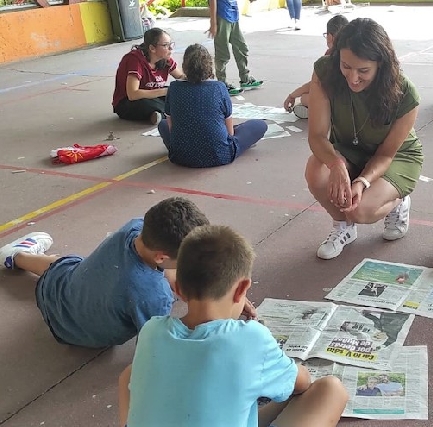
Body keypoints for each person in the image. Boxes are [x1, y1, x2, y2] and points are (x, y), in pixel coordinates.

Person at [118, 224, 349, 427]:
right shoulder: (251, 339)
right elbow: (302, 383)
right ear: (242, 289)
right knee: (330, 390)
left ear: (178, 290)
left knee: (130, 374)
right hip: (277, 369)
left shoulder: (151, 330)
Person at [0, 197, 210, 348]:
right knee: (66, 265)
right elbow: (153, 345)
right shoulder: (154, 296)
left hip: (55, 291)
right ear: (161, 257)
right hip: (77, 337)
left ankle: (16, 256)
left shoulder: (134, 227)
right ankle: (17, 255)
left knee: (63, 264)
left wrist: (170, 273)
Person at [305, 18, 423, 260]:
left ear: (381, 65)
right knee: (316, 169)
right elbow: (317, 136)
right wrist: (336, 163)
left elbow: (386, 154)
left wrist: (362, 182)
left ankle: (398, 200)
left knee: (360, 211)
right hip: (348, 149)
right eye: (346, 66)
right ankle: (343, 228)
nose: (353, 78)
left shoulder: (405, 92)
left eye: (363, 71)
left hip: (394, 157)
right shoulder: (325, 71)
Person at [158, 43, 267, 168]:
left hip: (180, 155)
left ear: (184, 66)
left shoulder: (174, 88)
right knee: (259, 125)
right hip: (220, 154)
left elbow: (171, 127)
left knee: (163, 124)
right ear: (209, 66)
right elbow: (229, 131)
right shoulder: (219, 87)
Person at [112, 28, 185, 124]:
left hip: (153, 95)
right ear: (152, 48)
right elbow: (132, 94)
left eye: (170, 44)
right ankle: (167, 113)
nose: (170, 48)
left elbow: (180, 77)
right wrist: (167, 91)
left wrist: (197, 79)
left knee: (180, 92)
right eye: (165, 45)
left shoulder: (165, 59)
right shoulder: (134, 60)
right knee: (147, 103)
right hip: (129, 102)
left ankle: (159, 114)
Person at [283, 14, 349, 119]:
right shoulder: (352, 51)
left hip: (339, 100)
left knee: (305, 98)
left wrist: (293, 95)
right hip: (353, 96)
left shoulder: (330, 55)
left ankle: (324, 113)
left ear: (330, 36)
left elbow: (315, 83)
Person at [207, 0, 263, 96]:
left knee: (241, 47)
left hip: (233, 14)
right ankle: (222, 84)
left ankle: (245, 79)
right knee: (222, 53)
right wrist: (213, 22)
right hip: (222, 15)